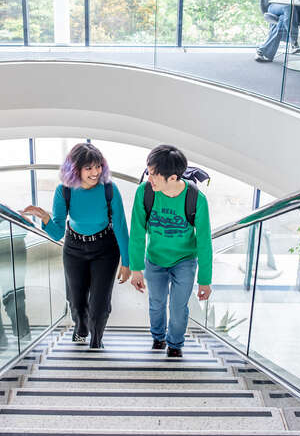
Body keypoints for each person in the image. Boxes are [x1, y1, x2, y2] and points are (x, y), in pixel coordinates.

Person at [22, 143, 130, 348]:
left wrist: (127, 262)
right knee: (77, 302)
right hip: (74, 249)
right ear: (75, 170)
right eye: (88, 168)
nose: (95, 172)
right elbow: (56, 232)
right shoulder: (64, 191)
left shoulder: (109, 189)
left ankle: (96, 342)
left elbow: (121, 227)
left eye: (98, 166)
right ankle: (81, 329)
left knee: (99, 305)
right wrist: (44, 216)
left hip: (105, 249)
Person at [129, 145, 212, 358]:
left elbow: (204, 241)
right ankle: (158, 337)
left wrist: (205, 280)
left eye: (155, 175)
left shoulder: (196, 199)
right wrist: (136, 268)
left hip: (184, 260)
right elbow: (137, 232)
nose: (150, 179)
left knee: (178, 307)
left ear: (173, 178)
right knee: (156, 304)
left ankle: (175, 344)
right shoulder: (145, 192)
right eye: (149, 172)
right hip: (155, 259)